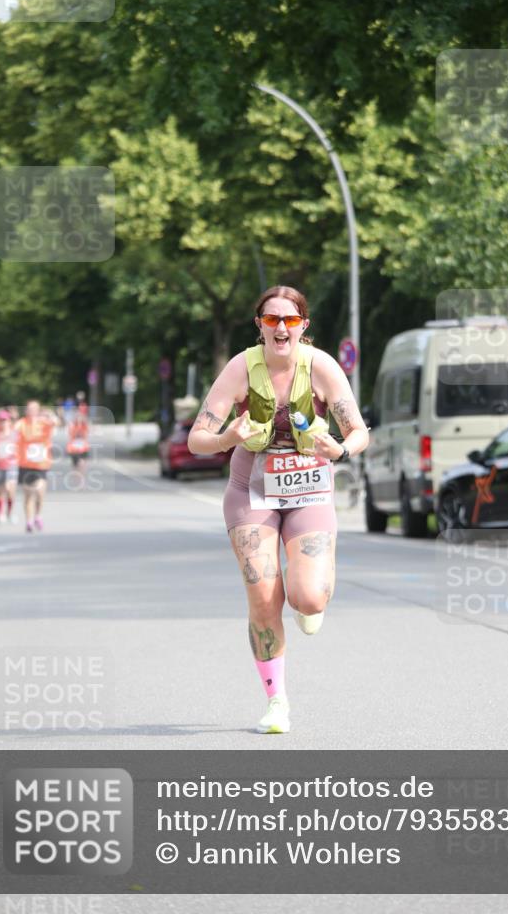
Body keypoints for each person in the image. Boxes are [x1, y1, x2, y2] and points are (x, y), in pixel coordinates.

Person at [188, 285, 369, 734]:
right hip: (252, 490)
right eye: (272, 320)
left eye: (290, 320)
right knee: (263, 595)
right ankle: (276, 702)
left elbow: (359, 431)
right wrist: (229, 437)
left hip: (309, 489)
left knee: (306, 596)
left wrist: (340, 449)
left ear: (303, 326)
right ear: (260, 326)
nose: (281, 328)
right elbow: (197, 440)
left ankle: (312, 598)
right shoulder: (241, 369)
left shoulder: (322, 366)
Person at [15, 400, 58, 533]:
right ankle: (28, 521)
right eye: (29, 409)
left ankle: (38, 515)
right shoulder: (22, 423)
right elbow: (13, 431)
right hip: (25, 464)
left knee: (39, 492)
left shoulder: (44, 423)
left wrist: (50, 415)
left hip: (41, 464)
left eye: (34, 409)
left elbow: (56, 423)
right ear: (26, 411)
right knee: (28, 495)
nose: (31, 412)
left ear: (38, 411)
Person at [66, 402, 90, 473]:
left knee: (82, 463)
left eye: (80, 417)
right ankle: (77, 476)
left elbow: (87, 427)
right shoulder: (72, 426)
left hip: (83, 448)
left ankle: (81, 477)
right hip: (73, 449)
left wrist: (83, 420)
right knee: (75, 465)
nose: (79, 418)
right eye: (77, 417)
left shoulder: (84, 426)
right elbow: (70, 435)